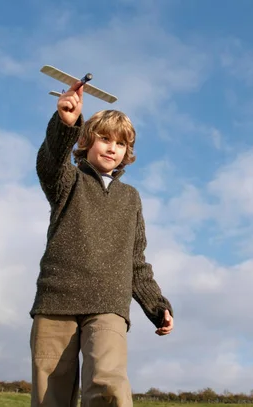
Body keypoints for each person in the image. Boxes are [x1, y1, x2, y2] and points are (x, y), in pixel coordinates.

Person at [28, 81, 174, 407]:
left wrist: (157, 306)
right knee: (50, 395)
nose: (112, 148)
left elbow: (136, 260)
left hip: (108, 304)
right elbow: (50, 164)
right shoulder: (68, 181)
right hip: (55, 303)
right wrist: (66, 123)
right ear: (86, 141)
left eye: (120, 144)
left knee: (108, 384)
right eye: (104, 139)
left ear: (127, 152)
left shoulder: (130, 198)